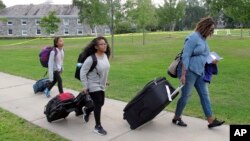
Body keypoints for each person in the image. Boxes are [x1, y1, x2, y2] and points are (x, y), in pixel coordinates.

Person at [172, 16, 225, 128]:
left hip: (200, 72)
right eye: (210, 29)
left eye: (212, 30)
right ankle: (176, 118)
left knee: (204, 94)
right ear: (204, 27)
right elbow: (185, 56)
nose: (211, 32)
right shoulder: (193, 37)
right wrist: (183, 75)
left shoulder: (203, 39)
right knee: (186, 95)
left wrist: (213, 60)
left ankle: (211, 120)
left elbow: (205, 55)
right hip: (189, 71)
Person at [80, 36, 111, 135]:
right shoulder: (91, 59)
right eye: (101, 44)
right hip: (92, 84)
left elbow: (105, 69)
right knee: (98, 104)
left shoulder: (105, 56)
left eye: (105, 43)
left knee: (101, 103)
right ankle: (97, 126)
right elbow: (82, 72)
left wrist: (105, 80)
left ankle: (87, 109)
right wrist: (85, 86)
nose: (104, 45)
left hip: (101, 83)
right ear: (96, 47)